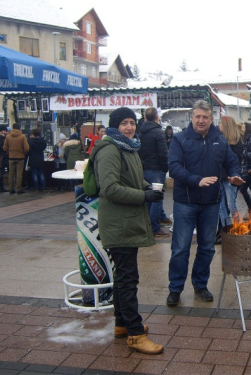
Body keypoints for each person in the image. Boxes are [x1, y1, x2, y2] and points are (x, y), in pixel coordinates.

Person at [91, 107, 164, 354]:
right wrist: (144, 196)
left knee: (124, 275)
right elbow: (109, 188)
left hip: (126, 221)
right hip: (118, 222)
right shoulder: (111, 149)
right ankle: (135, 333)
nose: (129, 127)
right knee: (128, 278)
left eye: (132, 122)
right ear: (114, 126)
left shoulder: (128, 146)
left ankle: (122, 324)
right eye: (124, 123)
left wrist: (149, 188)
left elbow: (133, 179)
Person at [167, 100, 243, 306]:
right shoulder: (180, 139)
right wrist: (196, 180)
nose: (201, 120)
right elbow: (173, 168)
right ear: (192, 117)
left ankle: (200, 285)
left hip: (211, 203)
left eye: (205, 117)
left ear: (212, 119)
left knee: (207, 247)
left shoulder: (219, 138)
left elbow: (232, 162)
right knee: (180, 248)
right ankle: (175, 288)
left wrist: (235, 175)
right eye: (198, 116)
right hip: (186, 202)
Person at [138, 107, 171, 237]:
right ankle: (154, 228)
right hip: (157, 170)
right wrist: (165, 169)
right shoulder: (158, 132)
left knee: (148, 199)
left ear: (145, 118)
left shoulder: (140, 132)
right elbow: (163, 153)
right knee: (157, 198)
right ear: (157, 118)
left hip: (144, 170)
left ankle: (159, 218)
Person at [217, 116, 244, 230]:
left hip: (230, 177)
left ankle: (237, 227)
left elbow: (234, 162)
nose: (218, 125)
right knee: (220, 204)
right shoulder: (219, 139)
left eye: (220, 123)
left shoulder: (236, 143)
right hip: (220, 176)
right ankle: (226, 228)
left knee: (230, 204)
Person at [3, 123, 29, 194]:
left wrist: (9, 152)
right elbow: (26, 148)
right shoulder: (22, 136)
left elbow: (5, 147)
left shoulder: (8, 136)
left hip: (11, 156)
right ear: (19, 128)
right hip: (20, 157)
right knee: (19, 173)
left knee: (11, 173)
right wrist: (23, 153)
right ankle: (18, 188)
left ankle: (11, 188)